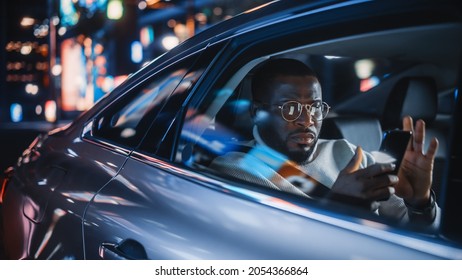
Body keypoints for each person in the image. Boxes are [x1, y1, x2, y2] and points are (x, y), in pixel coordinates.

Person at [210, 58, 439, 227]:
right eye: (291, 108)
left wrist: (420, 201)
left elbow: (418, 232)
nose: (307, 120)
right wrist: (336, 208)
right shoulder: (233, 171)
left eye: (315, 107)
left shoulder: (348, 153)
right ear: (258, 112)